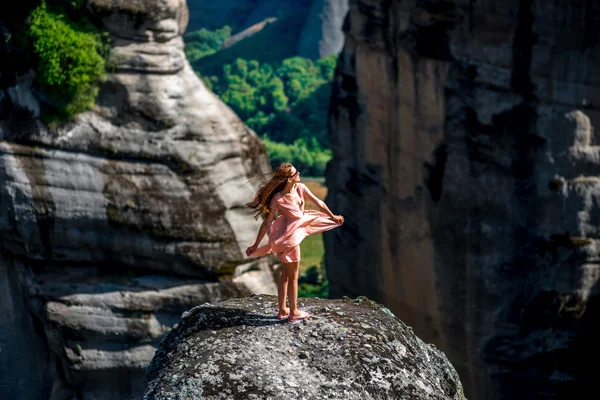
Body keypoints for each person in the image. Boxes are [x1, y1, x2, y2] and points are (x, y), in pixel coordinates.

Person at [245, 162, 344, 322]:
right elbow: (266, 223)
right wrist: (256, 244)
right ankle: (294, 313)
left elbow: (319, 203)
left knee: (285, 274)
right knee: (293, 277)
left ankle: (282, 310)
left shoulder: (300, 188)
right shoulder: (277, 198)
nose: (299, 173)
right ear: (289, 179)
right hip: (289, 239)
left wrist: (332, 217)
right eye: (295, 172)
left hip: (288, 236)